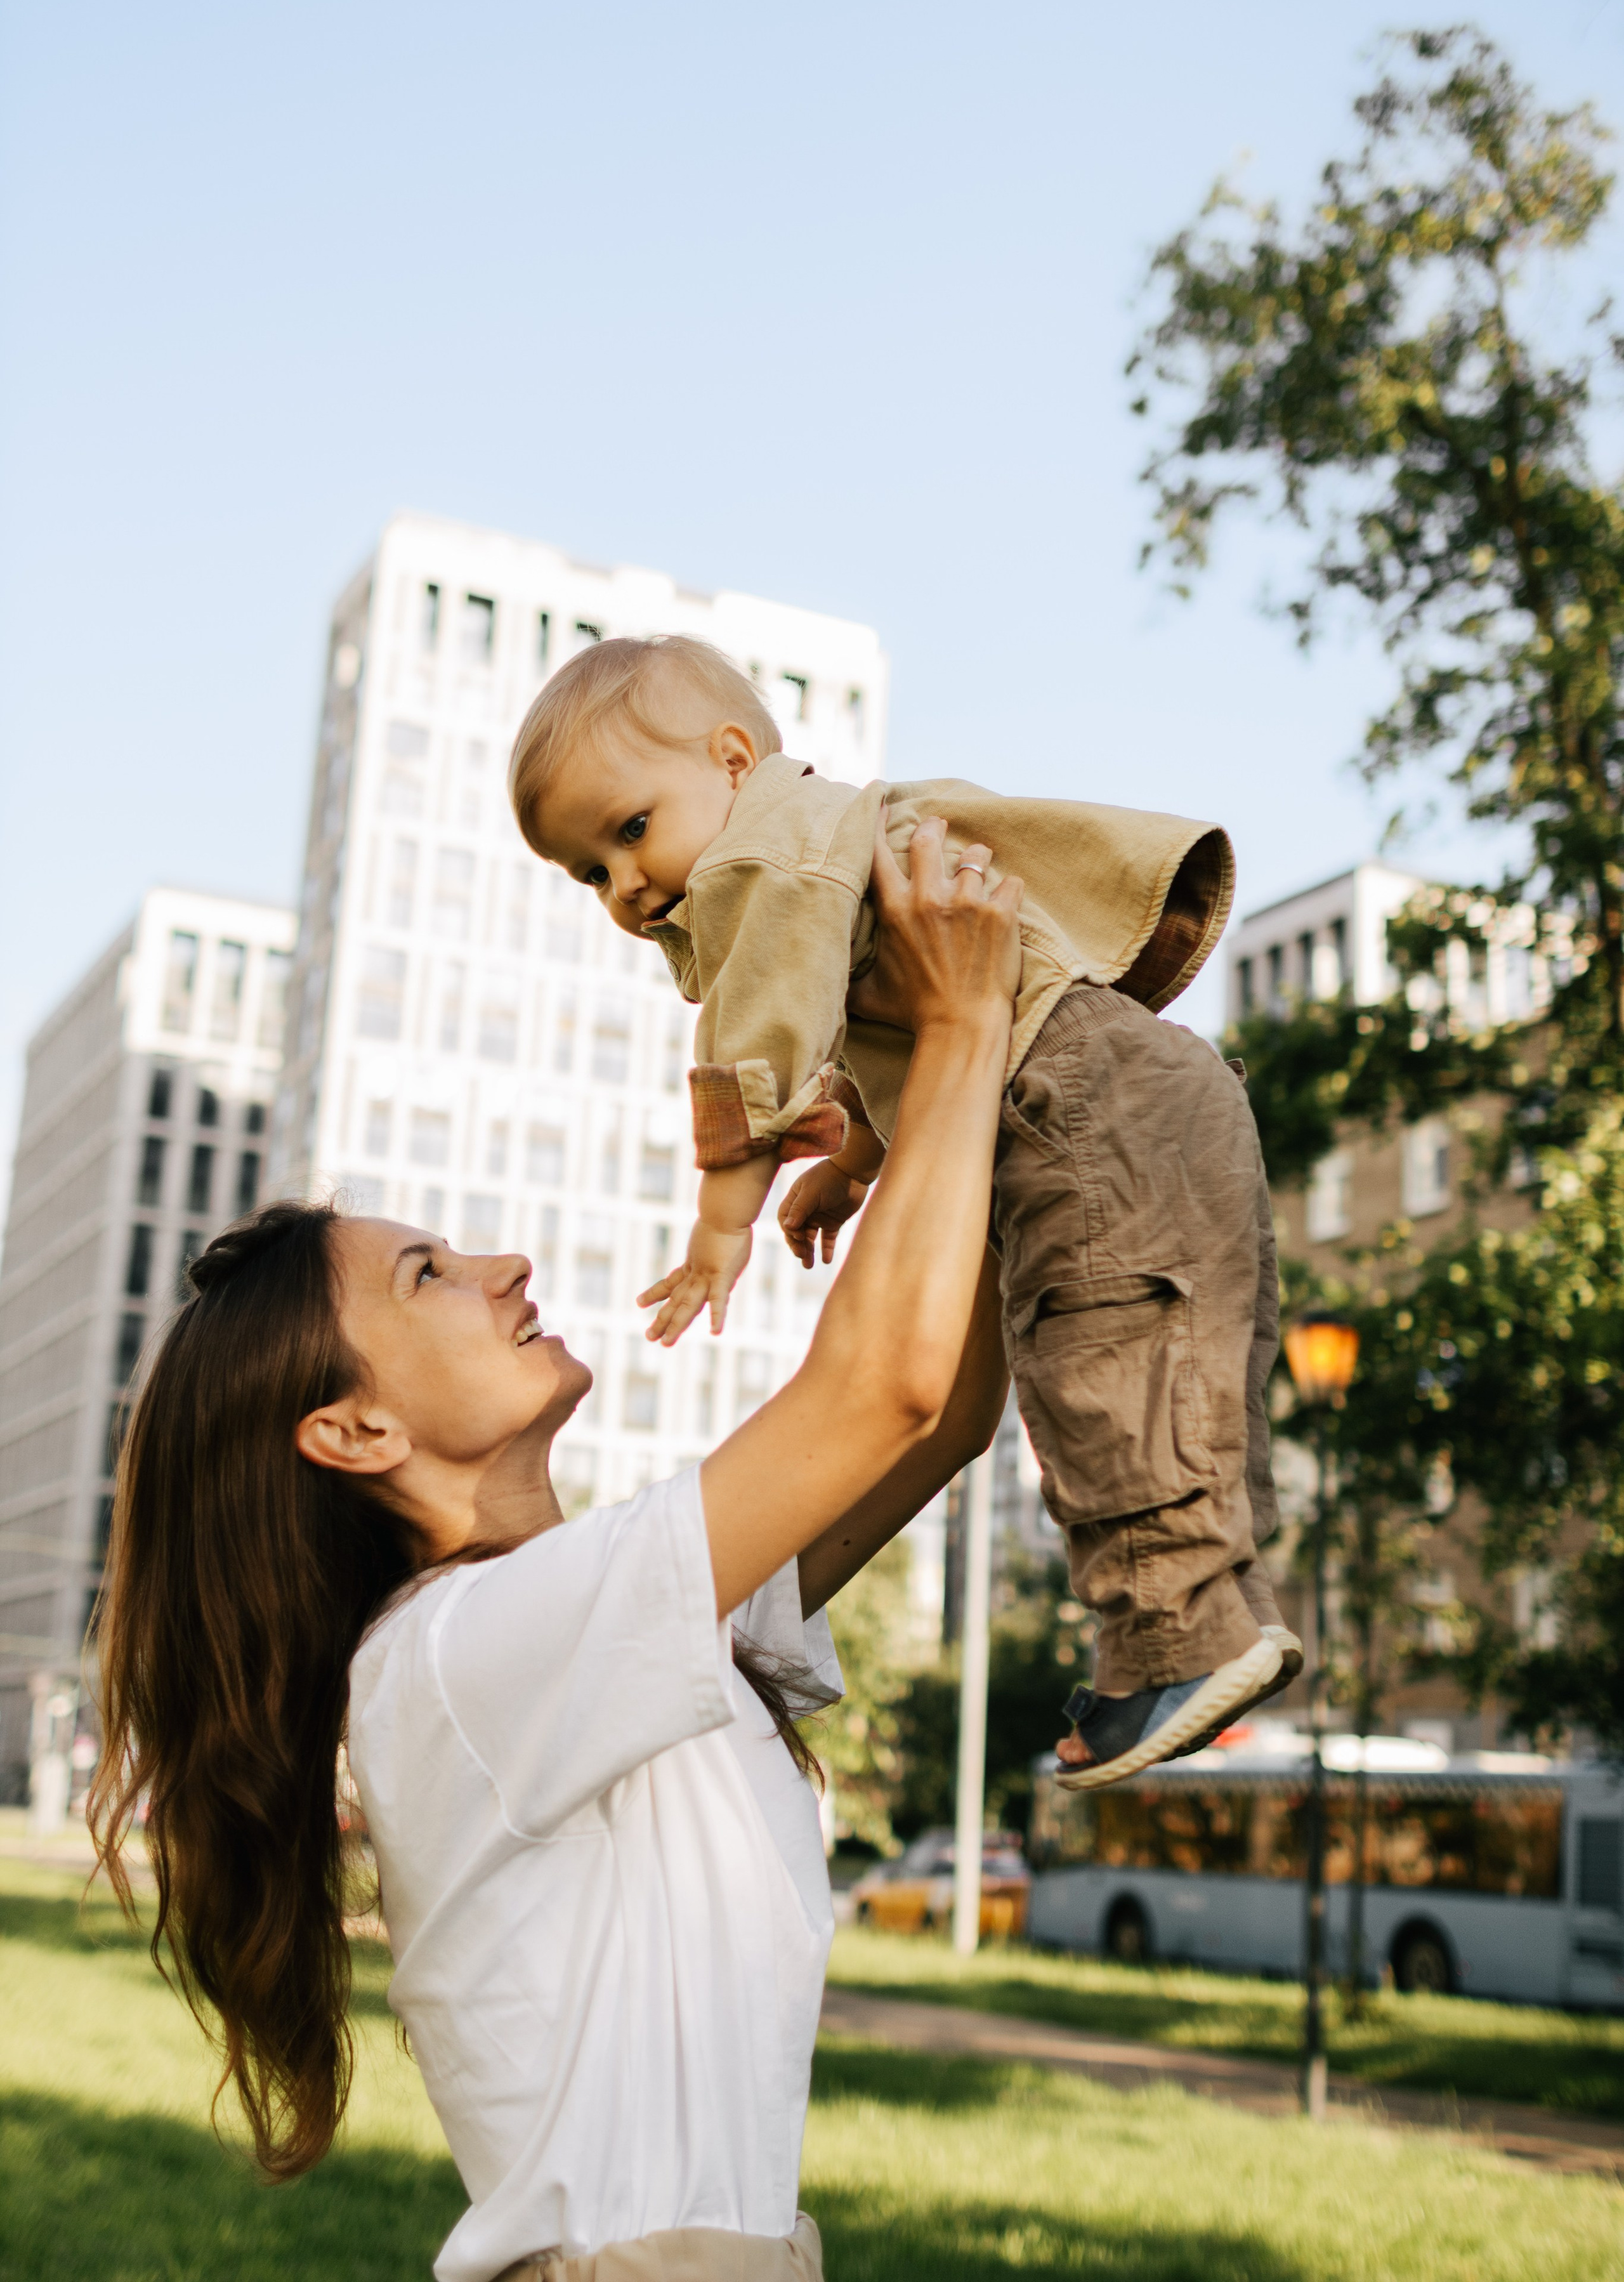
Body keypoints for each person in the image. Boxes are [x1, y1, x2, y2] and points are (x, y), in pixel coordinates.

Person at [90, 816, 1019, 2282]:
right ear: (351, 1434)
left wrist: (910, 1121)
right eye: (428, 1275)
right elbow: (881, 1389)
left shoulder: (595, 1625)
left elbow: (941, 1414)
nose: (502, 1264)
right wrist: (963, 1021)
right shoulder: (460, 1657)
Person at [508, 635, 1300, 1790]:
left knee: (1091, 1359)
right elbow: (896, 1036)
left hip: (1075, 1098)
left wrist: (724, 1220)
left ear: (735, 761)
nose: (625, 886)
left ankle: (1174, 1646)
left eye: (628, 830)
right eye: (589, 873)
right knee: (1184, 1366)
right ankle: (1210, 1628)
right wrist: (851, 1164)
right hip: (1148, 1087)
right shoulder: (835, 843)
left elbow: (757, 1046)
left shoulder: (759, 866)